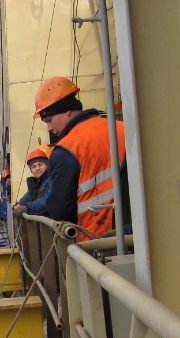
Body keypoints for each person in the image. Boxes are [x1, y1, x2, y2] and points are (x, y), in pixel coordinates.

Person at [27, 76, 130, 240]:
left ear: (67, 110)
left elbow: (59, 209)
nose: (49, 128)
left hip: (95, 239)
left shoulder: (67, 148)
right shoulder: (123, 129)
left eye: (49, 120)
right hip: (136, 233)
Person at [13, 145, 52, 218]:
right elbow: (28, 197)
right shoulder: (36, 184)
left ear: (47, 165)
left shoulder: (52, 180)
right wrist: (19, 205)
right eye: (34, 166)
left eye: (40, 164)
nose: (37, 168)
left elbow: (48, 200)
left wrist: (28, 208)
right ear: (31, 170)